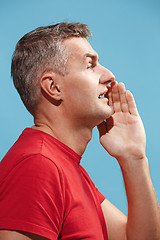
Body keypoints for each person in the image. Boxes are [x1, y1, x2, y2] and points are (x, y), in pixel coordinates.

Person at [0, 22, 159, 240]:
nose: (109, 75)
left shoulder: (64, 167)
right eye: (90, 66)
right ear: (54, 87)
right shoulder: (38, 165)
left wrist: (134, 157)